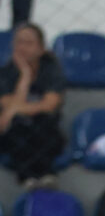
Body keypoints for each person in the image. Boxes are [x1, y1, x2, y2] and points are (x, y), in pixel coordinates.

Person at [0, 22, 65, 187]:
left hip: (45, 131)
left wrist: (19, 109)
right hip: (14, 134)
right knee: (18, 127)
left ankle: (29, 177)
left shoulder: (51, 69)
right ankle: (45, 175)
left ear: (41, 49)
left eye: (29, 43)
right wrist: (25, 75)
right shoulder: (5, 73)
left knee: (43, 121)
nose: (22, 48)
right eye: (19, 42)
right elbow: (8, 112)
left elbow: (50, 106)